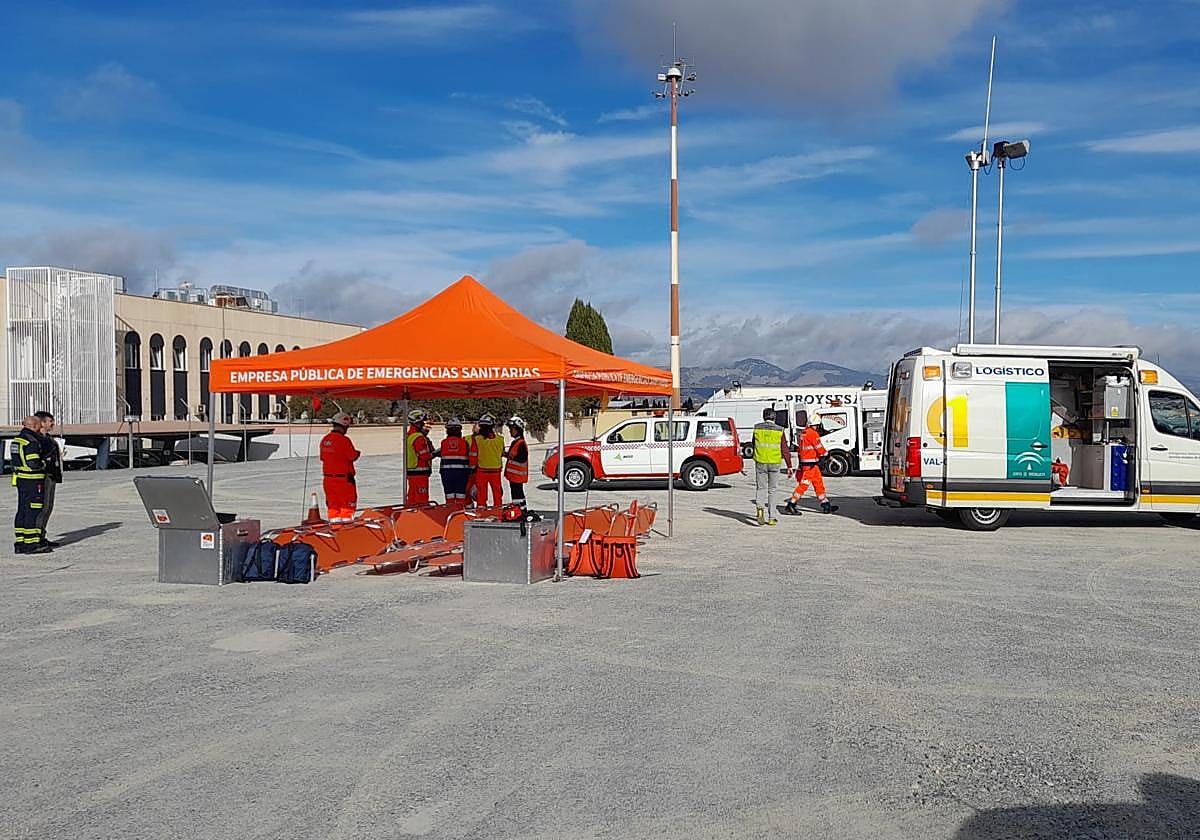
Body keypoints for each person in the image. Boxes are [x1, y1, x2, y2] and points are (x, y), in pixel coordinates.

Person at [785, 410, 839, 515]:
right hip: (810, 465)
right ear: (816, 425)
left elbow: (800, 450)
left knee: (818, 483)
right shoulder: (813, 434)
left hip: (809, 465)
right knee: (804, 485)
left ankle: (825, 504)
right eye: (818, 425)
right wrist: (828, 455)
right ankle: (791, 504)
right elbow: (819, 448)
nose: (818, 427)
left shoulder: (803, 433)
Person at [10, 416, 51, 554]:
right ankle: (31, 543)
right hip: (33, 480)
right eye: (40, 425)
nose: (41, 427)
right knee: (33, 511)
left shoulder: (17, 440)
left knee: (22, 510)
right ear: (34, 425)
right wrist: (45, 463)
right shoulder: (32, 441)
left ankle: (20, 542)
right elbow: (33, 463)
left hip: (21, 479)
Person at [752, 407, 793, 526]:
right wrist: (789, 466)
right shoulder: (780, 430)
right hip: (774, 462)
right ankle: (772, 517)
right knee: (772, 490)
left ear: (763, 417)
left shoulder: (757, 428)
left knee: (761, 488)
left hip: (760, 461)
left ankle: (760, 508)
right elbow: (784, 449)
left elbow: (754, 444)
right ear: (774, 417)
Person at [320, 411, 360, 521]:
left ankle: (334, 527)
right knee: (347, 508)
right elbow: (352, 456)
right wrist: (358, 453)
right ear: (344, 426)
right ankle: (346, 531)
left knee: (333, 508)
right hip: (343, 480)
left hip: (328, 480)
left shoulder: (325, 440)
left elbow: (323, 458)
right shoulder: (344, 440)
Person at [33, 411, 63, 548]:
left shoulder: (49, 439)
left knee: (48, 507)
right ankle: (36, 537)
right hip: (41, 477)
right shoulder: (36, 440)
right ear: (42, 423)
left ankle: (42, 534)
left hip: (51, 475)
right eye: (50, 421)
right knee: (41, 507)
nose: (53, 424)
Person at [469, 413, 505, 508]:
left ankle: (481, 512)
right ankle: (497, 511)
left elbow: (473, 456)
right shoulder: (500, 439)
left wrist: (472, 469)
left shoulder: (477, 439)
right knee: (497, 493)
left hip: (481, 471)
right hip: (496, 471)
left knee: (481, 494)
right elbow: (501, 453)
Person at [438, 418, 471, 508]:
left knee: (449, 495)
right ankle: (459, 512)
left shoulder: (443, 443)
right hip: (461, 473)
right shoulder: (464, 443)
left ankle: (450, 511)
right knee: (461, 495)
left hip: (446, 474)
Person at [405, 409, 435, 506]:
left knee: (412, 498)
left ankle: (410, 517)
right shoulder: (418, 438)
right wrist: (436, 453)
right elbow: (425, 456)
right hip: (420, 474)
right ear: (417, 423)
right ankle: (422, 518)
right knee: (422, 499)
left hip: (411, 473)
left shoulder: (409, 436)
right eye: (422, 422)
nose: (424, 425)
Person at [504, 415, 530, 509]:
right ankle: (518, 510)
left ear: (517, 429)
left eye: (512, 429)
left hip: (517, 476)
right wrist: (505, 454)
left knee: (518, 494)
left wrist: (510, 456)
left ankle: (521, 511)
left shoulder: (521, 443)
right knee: (516, 494)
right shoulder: (515, 442)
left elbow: (521, 458)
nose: (510, 431)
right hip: (514, 476)